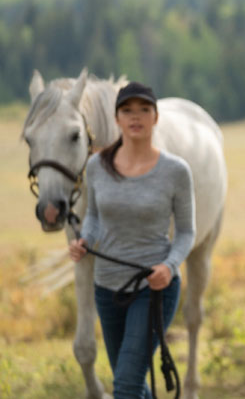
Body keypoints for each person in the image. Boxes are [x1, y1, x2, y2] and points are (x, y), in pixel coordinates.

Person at [68, 82, 195, 398]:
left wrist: (169, 266)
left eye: (144, 109)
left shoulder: (176, 171)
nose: (135, 116)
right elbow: (94, 216)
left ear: (156, 117)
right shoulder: (96, 166)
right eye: (127, 110)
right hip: (107, 288)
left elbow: (186, 232)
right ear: (117, 119)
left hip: (154, 288)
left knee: (125, 385)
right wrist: (85, 240)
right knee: (133, 382)